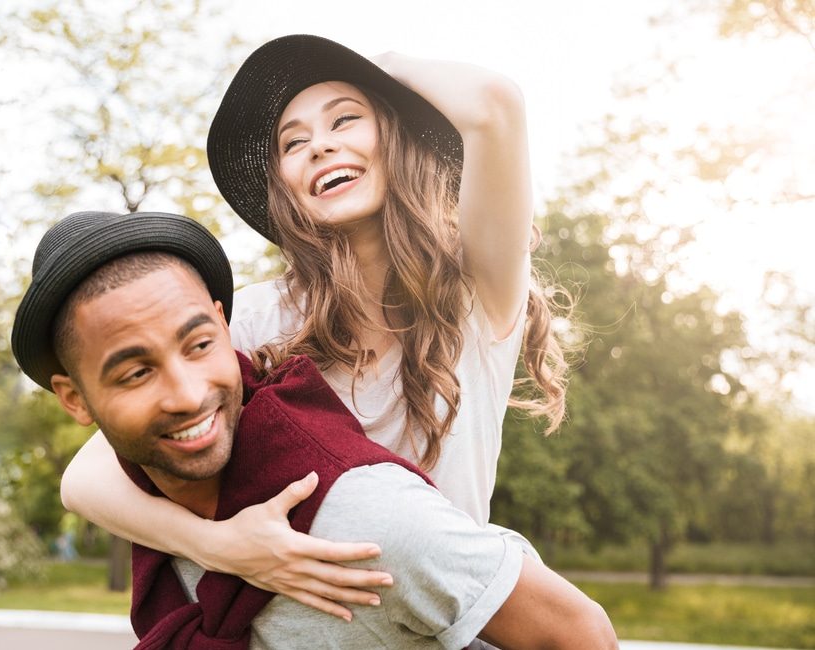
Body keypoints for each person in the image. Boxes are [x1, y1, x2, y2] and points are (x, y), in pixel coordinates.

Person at [60, 34, 570, 619]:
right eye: (294, 142)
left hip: (440, 621)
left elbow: (495, 104)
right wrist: (224, 548)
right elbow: (84, 479)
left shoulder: (476, 289)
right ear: (287, 187)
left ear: (392, 136)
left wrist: (381, 70)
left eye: (345, 120)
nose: (320, 147)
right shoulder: (259, 316)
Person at [11, 210, 615, 649]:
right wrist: (214, 546)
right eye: (136, 372)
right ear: (75, 399)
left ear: (228, 329)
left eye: (199, 345)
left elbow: (581, 635)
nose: (188, 394)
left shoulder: (367, 521)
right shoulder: (154, 510)